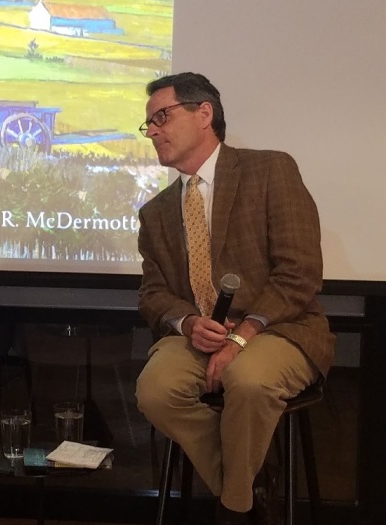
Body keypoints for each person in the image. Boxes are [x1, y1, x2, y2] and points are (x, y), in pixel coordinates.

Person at [134, 72, 335, 525]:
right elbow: (153, 292)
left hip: (280, 327)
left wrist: (242, 336)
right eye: (147, 125)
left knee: (247, 379)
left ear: (204, 113)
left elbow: (300, 271)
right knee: (155, 390)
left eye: (161, 117)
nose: (153, 132)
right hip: (200, 336)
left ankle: (234, 509)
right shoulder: (156, 212)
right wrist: (186, 322)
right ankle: (248, 479)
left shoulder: (270, 169)